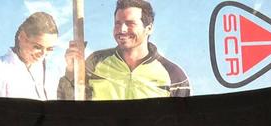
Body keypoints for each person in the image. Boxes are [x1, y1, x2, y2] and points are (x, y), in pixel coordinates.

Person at [58, 0, 190, 100]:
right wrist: (71, 72)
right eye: (118, 23)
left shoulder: (175, 76)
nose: (122, 29)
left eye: (130, 23)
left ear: (149, 28)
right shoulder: (95, 62)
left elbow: (184, 123)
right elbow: (70, 106)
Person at [0, 11, 60, 100]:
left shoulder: (51, 71)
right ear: (22, 37)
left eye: (49, 49)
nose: (43, 54)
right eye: (37, 47)